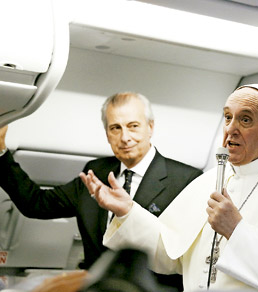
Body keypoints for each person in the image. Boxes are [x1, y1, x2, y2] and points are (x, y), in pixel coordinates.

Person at [81, 84, 258, 291]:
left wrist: (236, 230)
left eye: (246, 120)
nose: (231, 129)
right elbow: (170, 255)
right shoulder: (209, 180)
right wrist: (128, 211)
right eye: (227, 117)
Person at [0, 92, 203, 291]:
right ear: (107, 134)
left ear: (150, 127)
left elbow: (188, 258)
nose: (125, 137)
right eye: (115, 128)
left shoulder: (186, 180)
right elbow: (36, 204)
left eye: (133, 126)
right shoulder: (96, 172)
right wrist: (1, 150)